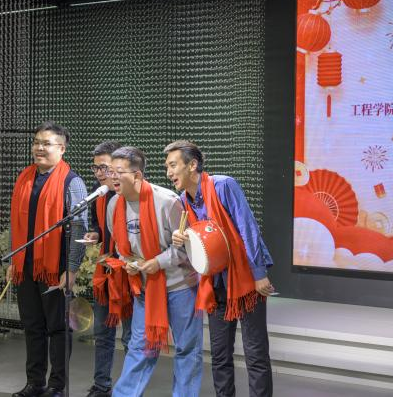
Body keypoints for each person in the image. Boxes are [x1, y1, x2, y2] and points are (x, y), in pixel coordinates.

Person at [164, 140, 274, 397]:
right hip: (215, 283)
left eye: (173, 165)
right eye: (167, 167)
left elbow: (248, 228)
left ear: (192, 165)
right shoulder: (183, 200)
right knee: (220, 355)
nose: (169, 173)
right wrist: (182, 239)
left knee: (255, 353)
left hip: (245, 279)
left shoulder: (223, 185)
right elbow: (202, 246)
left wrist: (259, 273)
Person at [106, 146, 202, 397]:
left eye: (118, 172)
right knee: (140, 348)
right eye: (110, 171)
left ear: (137, 175)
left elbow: (187, 249)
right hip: (145, 287)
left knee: (187, 349)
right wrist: (127, 262)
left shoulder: (167, 202)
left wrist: (158, 262)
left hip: (181, 286)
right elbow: (120, 246)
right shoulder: (113, 204)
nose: (112, 176)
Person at [7, 121, 88, 397]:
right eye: (36, 142)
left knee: (58, 329)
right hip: (26, 265)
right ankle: (35, 383)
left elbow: (80, 228)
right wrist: (14, 260)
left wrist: (72, 268)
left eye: (47, 143)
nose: (39, 148)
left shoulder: (72, 182)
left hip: (56, 267)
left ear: (62, 149)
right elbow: (16, 222)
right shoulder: (24, 177)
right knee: (33, 327)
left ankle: (57, 386)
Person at [83, 141, 132, 397]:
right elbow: (98, 226)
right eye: (96, 168)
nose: (100, 174)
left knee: (130, 338)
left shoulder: (132, 195)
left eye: (105, 168)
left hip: (131, 273)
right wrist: (95, 234)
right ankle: (101, 386)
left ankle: (130, 389)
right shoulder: (98, 193)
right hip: (106, 271)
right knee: (102, 333)